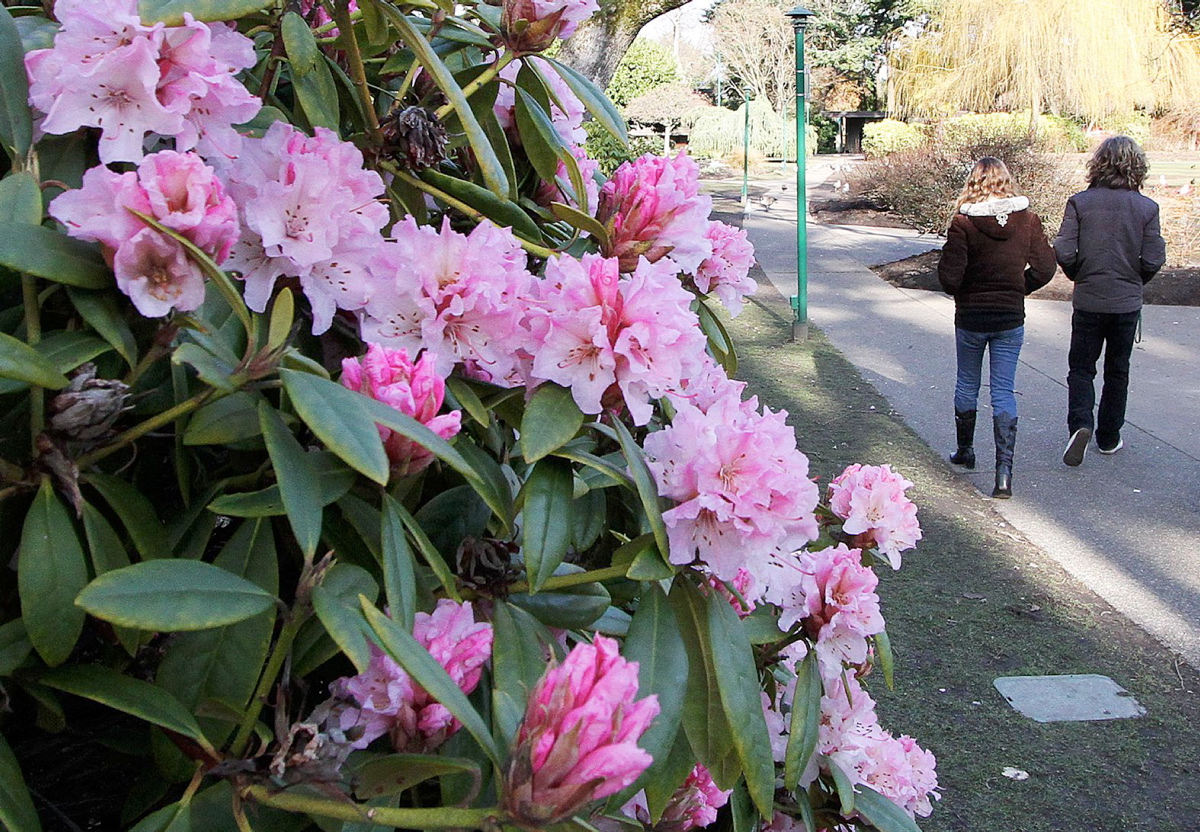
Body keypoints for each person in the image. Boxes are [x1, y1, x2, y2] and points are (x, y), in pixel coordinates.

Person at [938, 157, 1056, 498]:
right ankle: (1003, 474)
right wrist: (1020, 286)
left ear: (973, 182)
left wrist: (966, 291)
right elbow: (1047, 267)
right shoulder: (1028, 220)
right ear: (1007, 181)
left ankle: (965, 451)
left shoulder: (964, 224)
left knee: (967, 383)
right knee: (1003, 390)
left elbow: (949, 278)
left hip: (972, 317)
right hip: (1009, 317)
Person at [1053, 136, 1166, 467]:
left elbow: (1063, 249)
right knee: (1118, 370)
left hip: (1089, 298)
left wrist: (1078, 273)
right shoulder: (1147, 208)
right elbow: (1154, 257)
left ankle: (1081, 425)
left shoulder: (1080, 203)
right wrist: (1136, 280)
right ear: (1137, 166)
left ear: (1098, 163)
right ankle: (1109, 436)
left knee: (1081, 368)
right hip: (1125, 302)